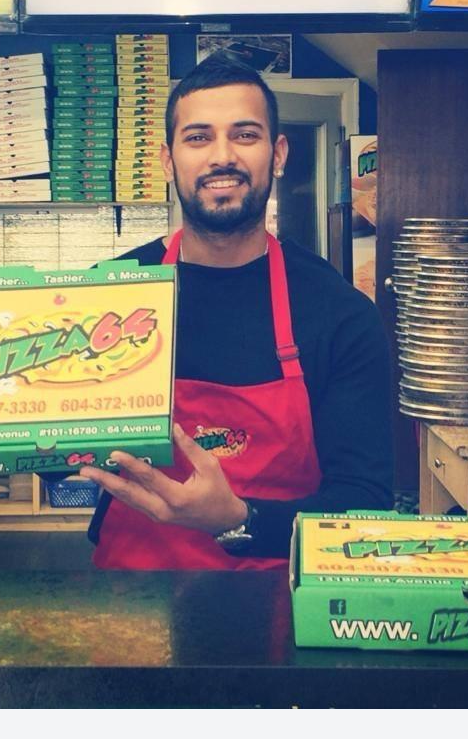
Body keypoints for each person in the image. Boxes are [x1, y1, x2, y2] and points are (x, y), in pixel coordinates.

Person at [82, 58, 394, 570]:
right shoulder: (106, 297)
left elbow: (364, 507)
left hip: (277, 601)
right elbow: (64, 455)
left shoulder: (339, 314)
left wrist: (240, 519)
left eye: (245, 135)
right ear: (168, 161)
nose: (222, 156)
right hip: (131, 599)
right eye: (198, 138)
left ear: (278, 154)